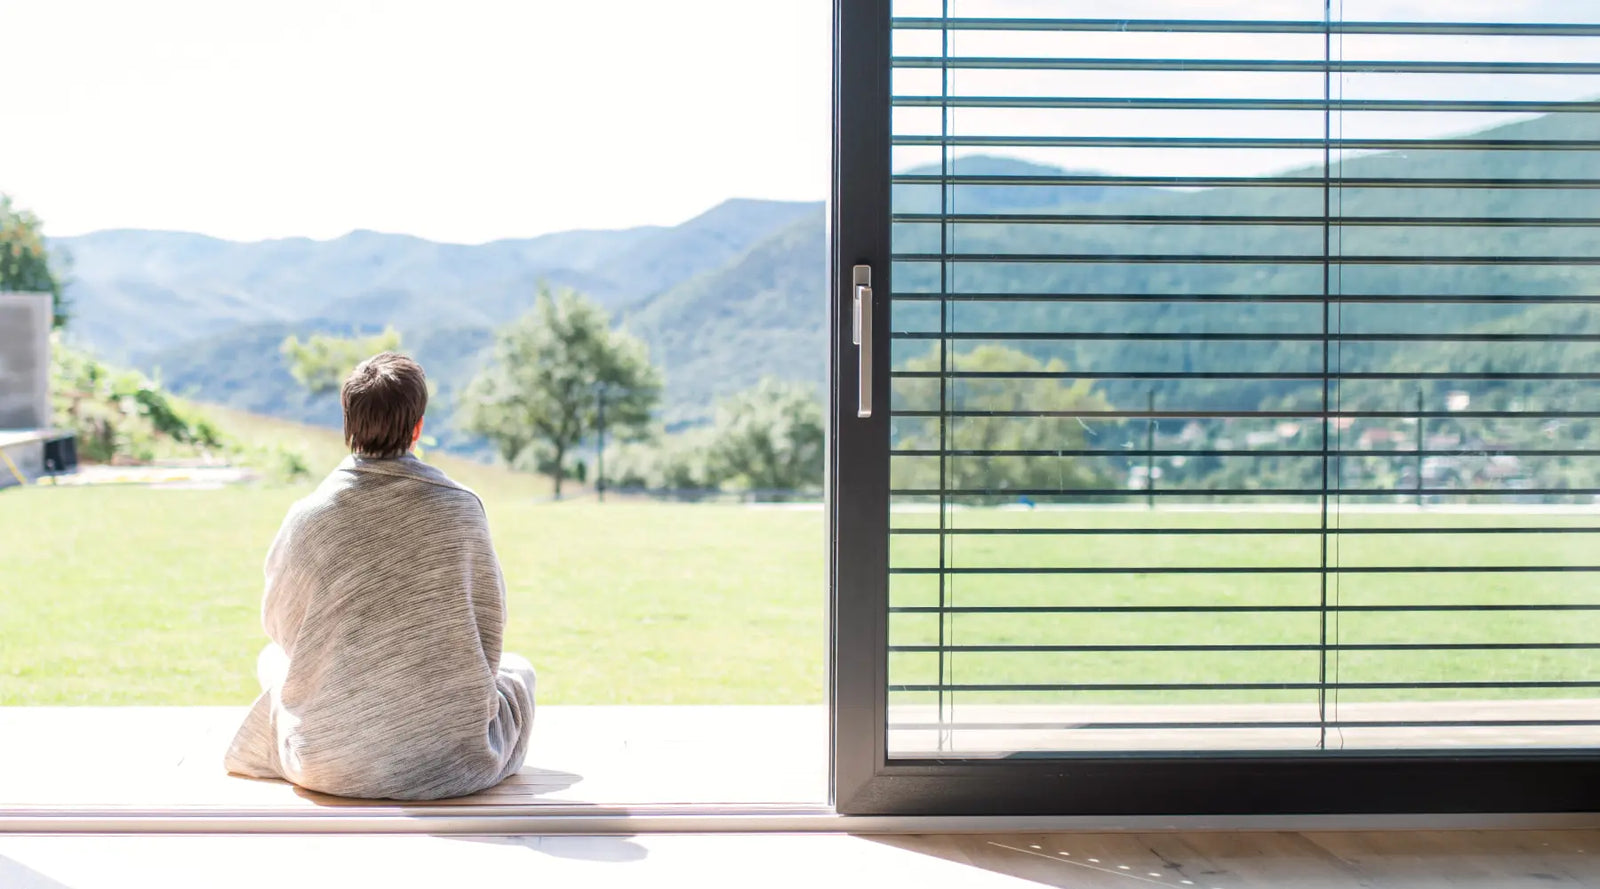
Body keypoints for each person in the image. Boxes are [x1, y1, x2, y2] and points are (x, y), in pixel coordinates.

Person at [224, 352, 536, 800]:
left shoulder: (308, 515)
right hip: (450, 761)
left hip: (329, 762)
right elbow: (490, 626)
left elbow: (280, 625)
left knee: (271, 661)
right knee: (518, 671)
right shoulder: (461, 508)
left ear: (348, 421)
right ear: (417, 427)